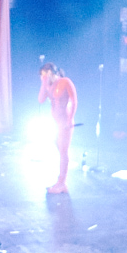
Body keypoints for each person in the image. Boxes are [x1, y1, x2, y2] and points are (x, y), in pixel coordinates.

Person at [37, 56, 78, 195]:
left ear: (51, 73)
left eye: (45, 75)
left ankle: (62, 182)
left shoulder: (65, 82)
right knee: (60, 150)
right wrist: (44, 84)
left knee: (63, 151)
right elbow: (41, 100)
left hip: (65, 121)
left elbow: (74, 101)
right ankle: (61, 181)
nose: (43, 78)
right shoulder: (49, 86)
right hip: (55, 122)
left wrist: (70, 119)